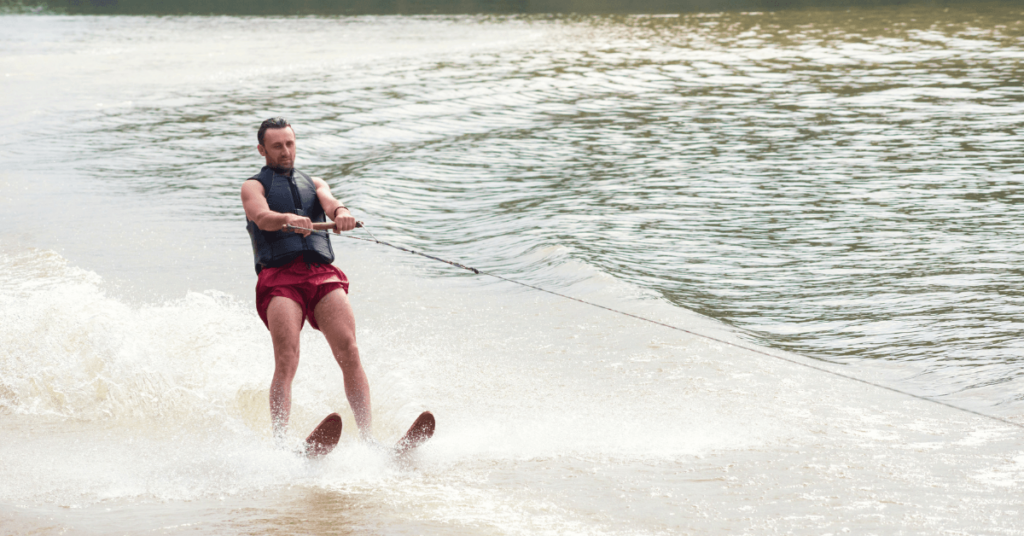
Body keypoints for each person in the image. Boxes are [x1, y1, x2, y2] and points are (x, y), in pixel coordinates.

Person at [240, 117, 372, 442]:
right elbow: (261, 216)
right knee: (287, 358)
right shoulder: (253, 187)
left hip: (321, 274)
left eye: (290, 143)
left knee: (350, 350)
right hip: (280, 279)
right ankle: (281, 444)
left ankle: (370, 439)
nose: (285, 151)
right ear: (262, 149)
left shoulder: (313, 182)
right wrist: (286, 219)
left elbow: (329, 202)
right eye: (277, 146)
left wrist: (341, 213)